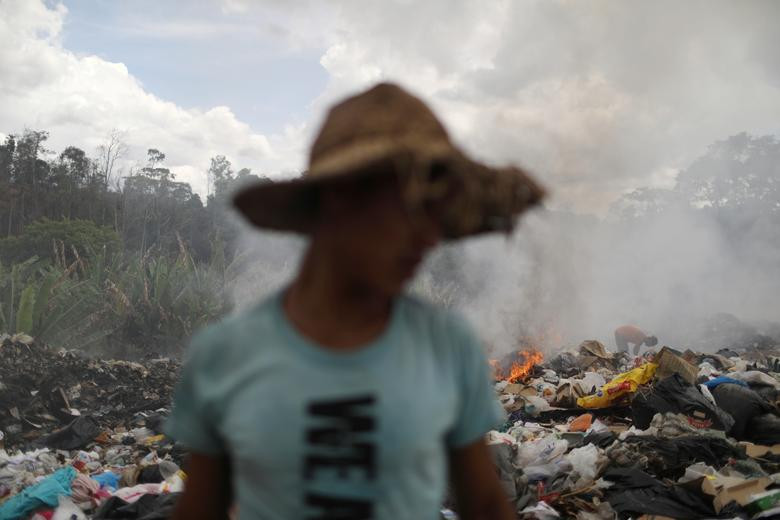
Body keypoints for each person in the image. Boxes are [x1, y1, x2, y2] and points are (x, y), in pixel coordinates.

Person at [166, 82, 544, 519]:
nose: (428, 238)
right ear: (339, 196)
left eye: (435, 215)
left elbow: (484, 504)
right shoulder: (228, 354)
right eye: (410, 209)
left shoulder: (445, 344)